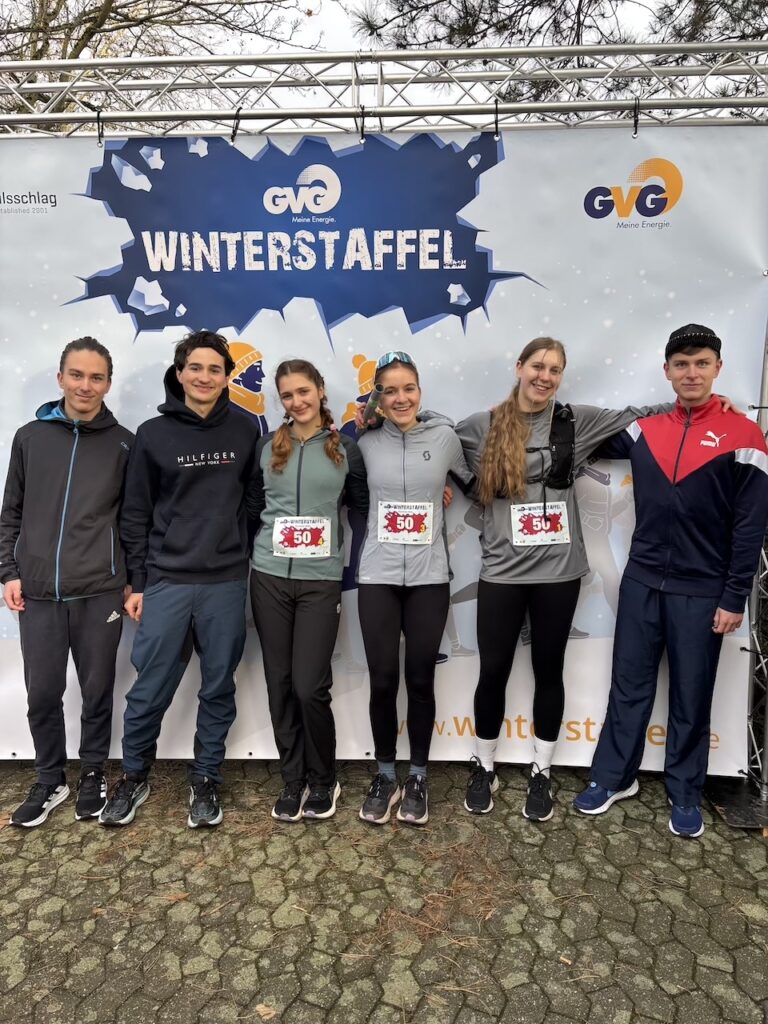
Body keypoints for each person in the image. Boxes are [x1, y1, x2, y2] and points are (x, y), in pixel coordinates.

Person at [456, 336, 682, 823]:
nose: (545, 376)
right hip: (502, 572)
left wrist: (703, 403)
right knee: (492, 672)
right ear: (519, 367)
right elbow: (433, 440)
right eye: (537, 366)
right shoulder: (482, 425)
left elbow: (641, 414)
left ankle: (541, 770)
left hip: (558, 573)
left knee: (548, 670)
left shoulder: (577, 421)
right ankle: (484, 765)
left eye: (555, 370)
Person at [574, 324, 768, 838]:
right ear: (667, 371)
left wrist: (734, 595)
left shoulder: (745, 435)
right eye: (681, 364)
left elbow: (751, 526)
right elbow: (580, 434)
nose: (691, 373)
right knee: (628, 687)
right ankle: (613, 778)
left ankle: (685, 791)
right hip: (641, 583)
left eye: (702, 363)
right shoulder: (644, 430)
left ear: (718, 368)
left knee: (691, 695)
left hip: (703, 592)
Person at [99, 330, 260, 829]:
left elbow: (254, 500)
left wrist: (231, 543)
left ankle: (206, 778)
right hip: (166, 580)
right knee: (149, 688)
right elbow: (135, 513)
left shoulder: (245, 429)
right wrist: (138, 582)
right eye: (196, 367)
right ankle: (133, 776)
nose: (204, 377)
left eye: (215, 369)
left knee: (218, 687)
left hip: (225, 581)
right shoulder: (152, 433)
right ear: (179, 372)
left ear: (226, 376)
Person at [0, 337, 133, 826]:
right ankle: (49, 778)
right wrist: (8, 571)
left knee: (97, 691)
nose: (85, 385)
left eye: (96, 377)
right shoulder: (29, 437)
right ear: (61, 378)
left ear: (108, 384)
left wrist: (132, 580)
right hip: (38, 591)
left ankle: (93, 771)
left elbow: (133, 519)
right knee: (42, 693)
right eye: (76, 375)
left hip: (100, 590)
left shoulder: (124, 443)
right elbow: (10, 511)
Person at [356, 351, 473, 826]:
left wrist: (446, 488)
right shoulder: (364, 442)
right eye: (389, 391)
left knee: (421, 678)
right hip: (377, 576)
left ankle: (419, 776)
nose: (400, 398)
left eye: (409, 388)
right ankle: (386, 775)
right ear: (378, 398)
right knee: (383, 679)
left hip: (429, 577)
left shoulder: (444, 437)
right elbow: (349, 491)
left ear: (420, 391)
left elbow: (474, 482)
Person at [250, 359, 368, 822]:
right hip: (269, 577)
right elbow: (252, 507)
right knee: (279, 683)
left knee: (309, 685)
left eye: (304, 391)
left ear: (320, 391)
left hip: (320, 581)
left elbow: (362, 506)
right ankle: (292, 779)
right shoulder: (266, 447)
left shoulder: (346, 449)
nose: (297, 401)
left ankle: (323, 779)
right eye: (288, 395)